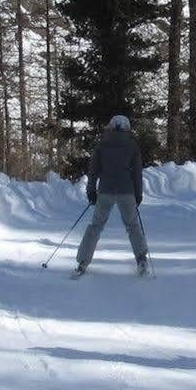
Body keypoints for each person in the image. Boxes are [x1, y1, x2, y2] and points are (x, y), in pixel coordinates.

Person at [74, 115, 148, 277]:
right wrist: (138, 194)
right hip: (126, 192)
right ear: (127, 128)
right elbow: (137, 173)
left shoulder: (102, 145)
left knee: (96, 226)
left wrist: (91, 191)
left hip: (106, 192)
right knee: (132, 226)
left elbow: (93, 172)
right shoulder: (132, 146)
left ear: (111, 127)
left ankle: (82, 262)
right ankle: (141, 259)